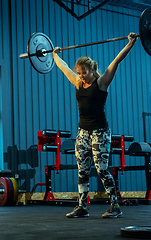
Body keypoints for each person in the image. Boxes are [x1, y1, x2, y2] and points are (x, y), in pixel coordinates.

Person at [52, 33, 137, 218]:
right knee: (82, 170)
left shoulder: (102, 83)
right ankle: (82, 207)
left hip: (100, 132)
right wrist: (54, 54)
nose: (81, 76)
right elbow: (64, 67)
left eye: (84, 72)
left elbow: (116, 61)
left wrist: (130, 44)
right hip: (82, 132)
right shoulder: (77, 82)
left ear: (92, 70)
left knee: (101, 169)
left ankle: (115, 206)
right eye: (79, 72)